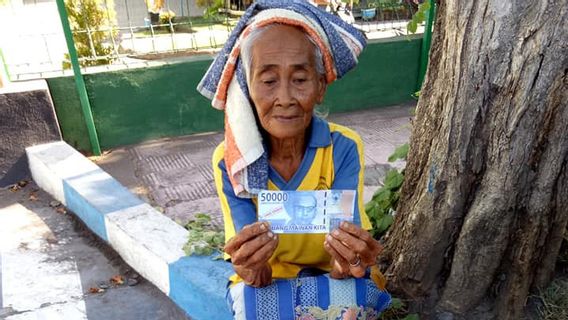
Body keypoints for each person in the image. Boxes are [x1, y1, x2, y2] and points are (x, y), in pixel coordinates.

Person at [197, 0, 390, 318]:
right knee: (253, 306)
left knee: (357, 298)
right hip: (272, 281)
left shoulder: (341, 147)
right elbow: (251, 272)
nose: (285, 99)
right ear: (248, 87)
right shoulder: (231, 160)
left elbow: (348, 255)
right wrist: (250, 266)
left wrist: (352, 259)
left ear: (320, 88)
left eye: (300, 80)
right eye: (269, 81)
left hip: (331, 275)